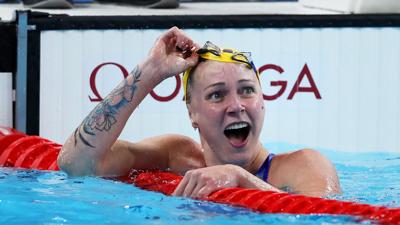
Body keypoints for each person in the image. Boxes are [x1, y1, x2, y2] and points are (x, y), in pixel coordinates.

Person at [58, 27, 341, 199]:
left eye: (246, 90)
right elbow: (76, 163)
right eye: (217, 94)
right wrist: (149, 73)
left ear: (263, 100)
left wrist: (240, 178)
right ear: (191, 112)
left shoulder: (304, 166)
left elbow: (331, 217)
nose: (236, 105)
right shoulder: (175, 156)